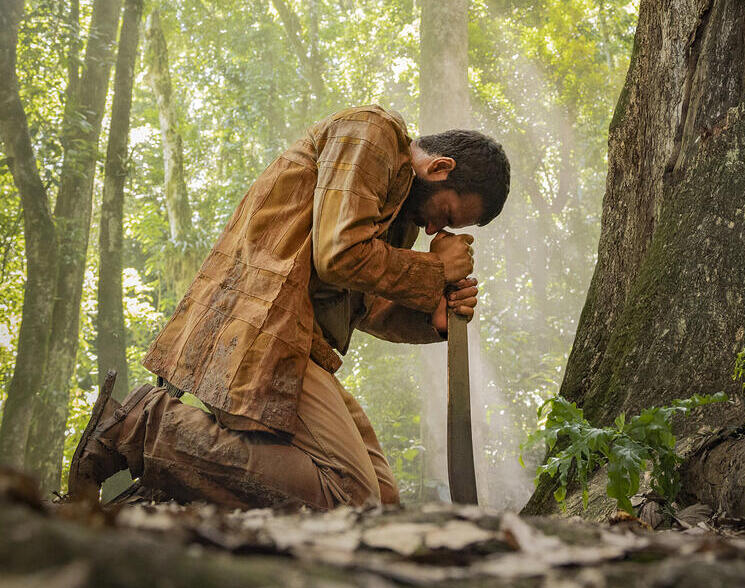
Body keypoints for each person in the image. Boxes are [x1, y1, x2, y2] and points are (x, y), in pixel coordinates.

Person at [68, 105, 510, 509]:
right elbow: (338, 255)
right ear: (439, 167)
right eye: (446, 214)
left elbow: (363, 306)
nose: (435, 227)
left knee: (384, 508)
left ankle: (176, 478)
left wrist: (429, 320)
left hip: (300, 348)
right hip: (261, 329)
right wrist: (434, 269)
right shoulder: (372, 133)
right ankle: (145, 427)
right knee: (352, 500)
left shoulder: (399, 214)